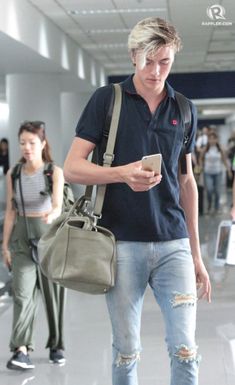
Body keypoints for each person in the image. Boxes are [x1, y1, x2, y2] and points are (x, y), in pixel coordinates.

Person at [64, 17, 211, 385]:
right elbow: (71, 168)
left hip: (173, 243)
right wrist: (121, 173)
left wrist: (196, 255)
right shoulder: (106, 100)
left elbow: (186, 181)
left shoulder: (183, 108)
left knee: (186, 349)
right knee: (126, 350)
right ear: (133, 56)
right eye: (148, 61)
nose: (156, 71)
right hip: (120, 244)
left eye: (164, 61)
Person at [2, 121, 66, 370]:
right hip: (21, 240)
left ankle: (57, 345)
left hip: (49, 241)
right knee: (22, 295)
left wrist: (51, 215)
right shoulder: (14, 173)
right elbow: (10, 211)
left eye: (32, 142)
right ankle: (21, 349)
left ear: (43, 143)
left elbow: (58, 204)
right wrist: (4, 246)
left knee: (54, 297)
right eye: (22, 143)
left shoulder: (53, 171)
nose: (26, 148)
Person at [199, 131, 232, 214]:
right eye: (211, 139)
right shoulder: (205, 149)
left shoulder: (220, 149)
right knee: (209, 190)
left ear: (217, 139)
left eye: (214, 138)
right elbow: (200, 158)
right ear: (208, 139)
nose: (212, 140)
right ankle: (210, 205)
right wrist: (201, 166)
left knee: (217, 191)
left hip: (218, 172)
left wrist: (228, 170)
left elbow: (224, 160)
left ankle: (216, 207)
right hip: (207, 172)